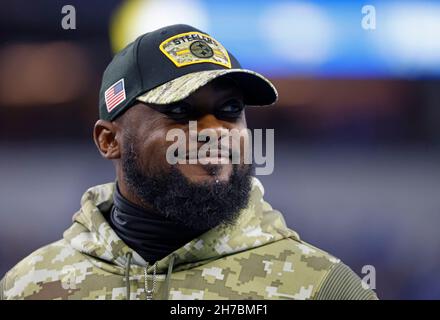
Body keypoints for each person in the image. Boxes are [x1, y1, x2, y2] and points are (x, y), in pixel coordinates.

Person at [0, 24, 377, 300]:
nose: (214, 130)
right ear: (109, 140)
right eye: (180, 111)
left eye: (230, 110)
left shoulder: (324, 288)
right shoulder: (28, 286)